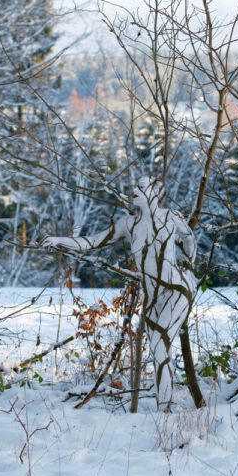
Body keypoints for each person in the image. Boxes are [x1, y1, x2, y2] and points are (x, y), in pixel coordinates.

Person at [41, 176, 197, 411]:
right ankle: (166, 411)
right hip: (152, 296)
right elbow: (92, 242)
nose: (134, 190)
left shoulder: (169, 217)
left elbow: (188, 237)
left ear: (155, 192)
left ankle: (166, 412)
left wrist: (188, 261)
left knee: (158, 346)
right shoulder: (128, 224)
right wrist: (60, 241)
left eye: (141, 187)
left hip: (177, 289)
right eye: (135, 186)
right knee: (158, 350)